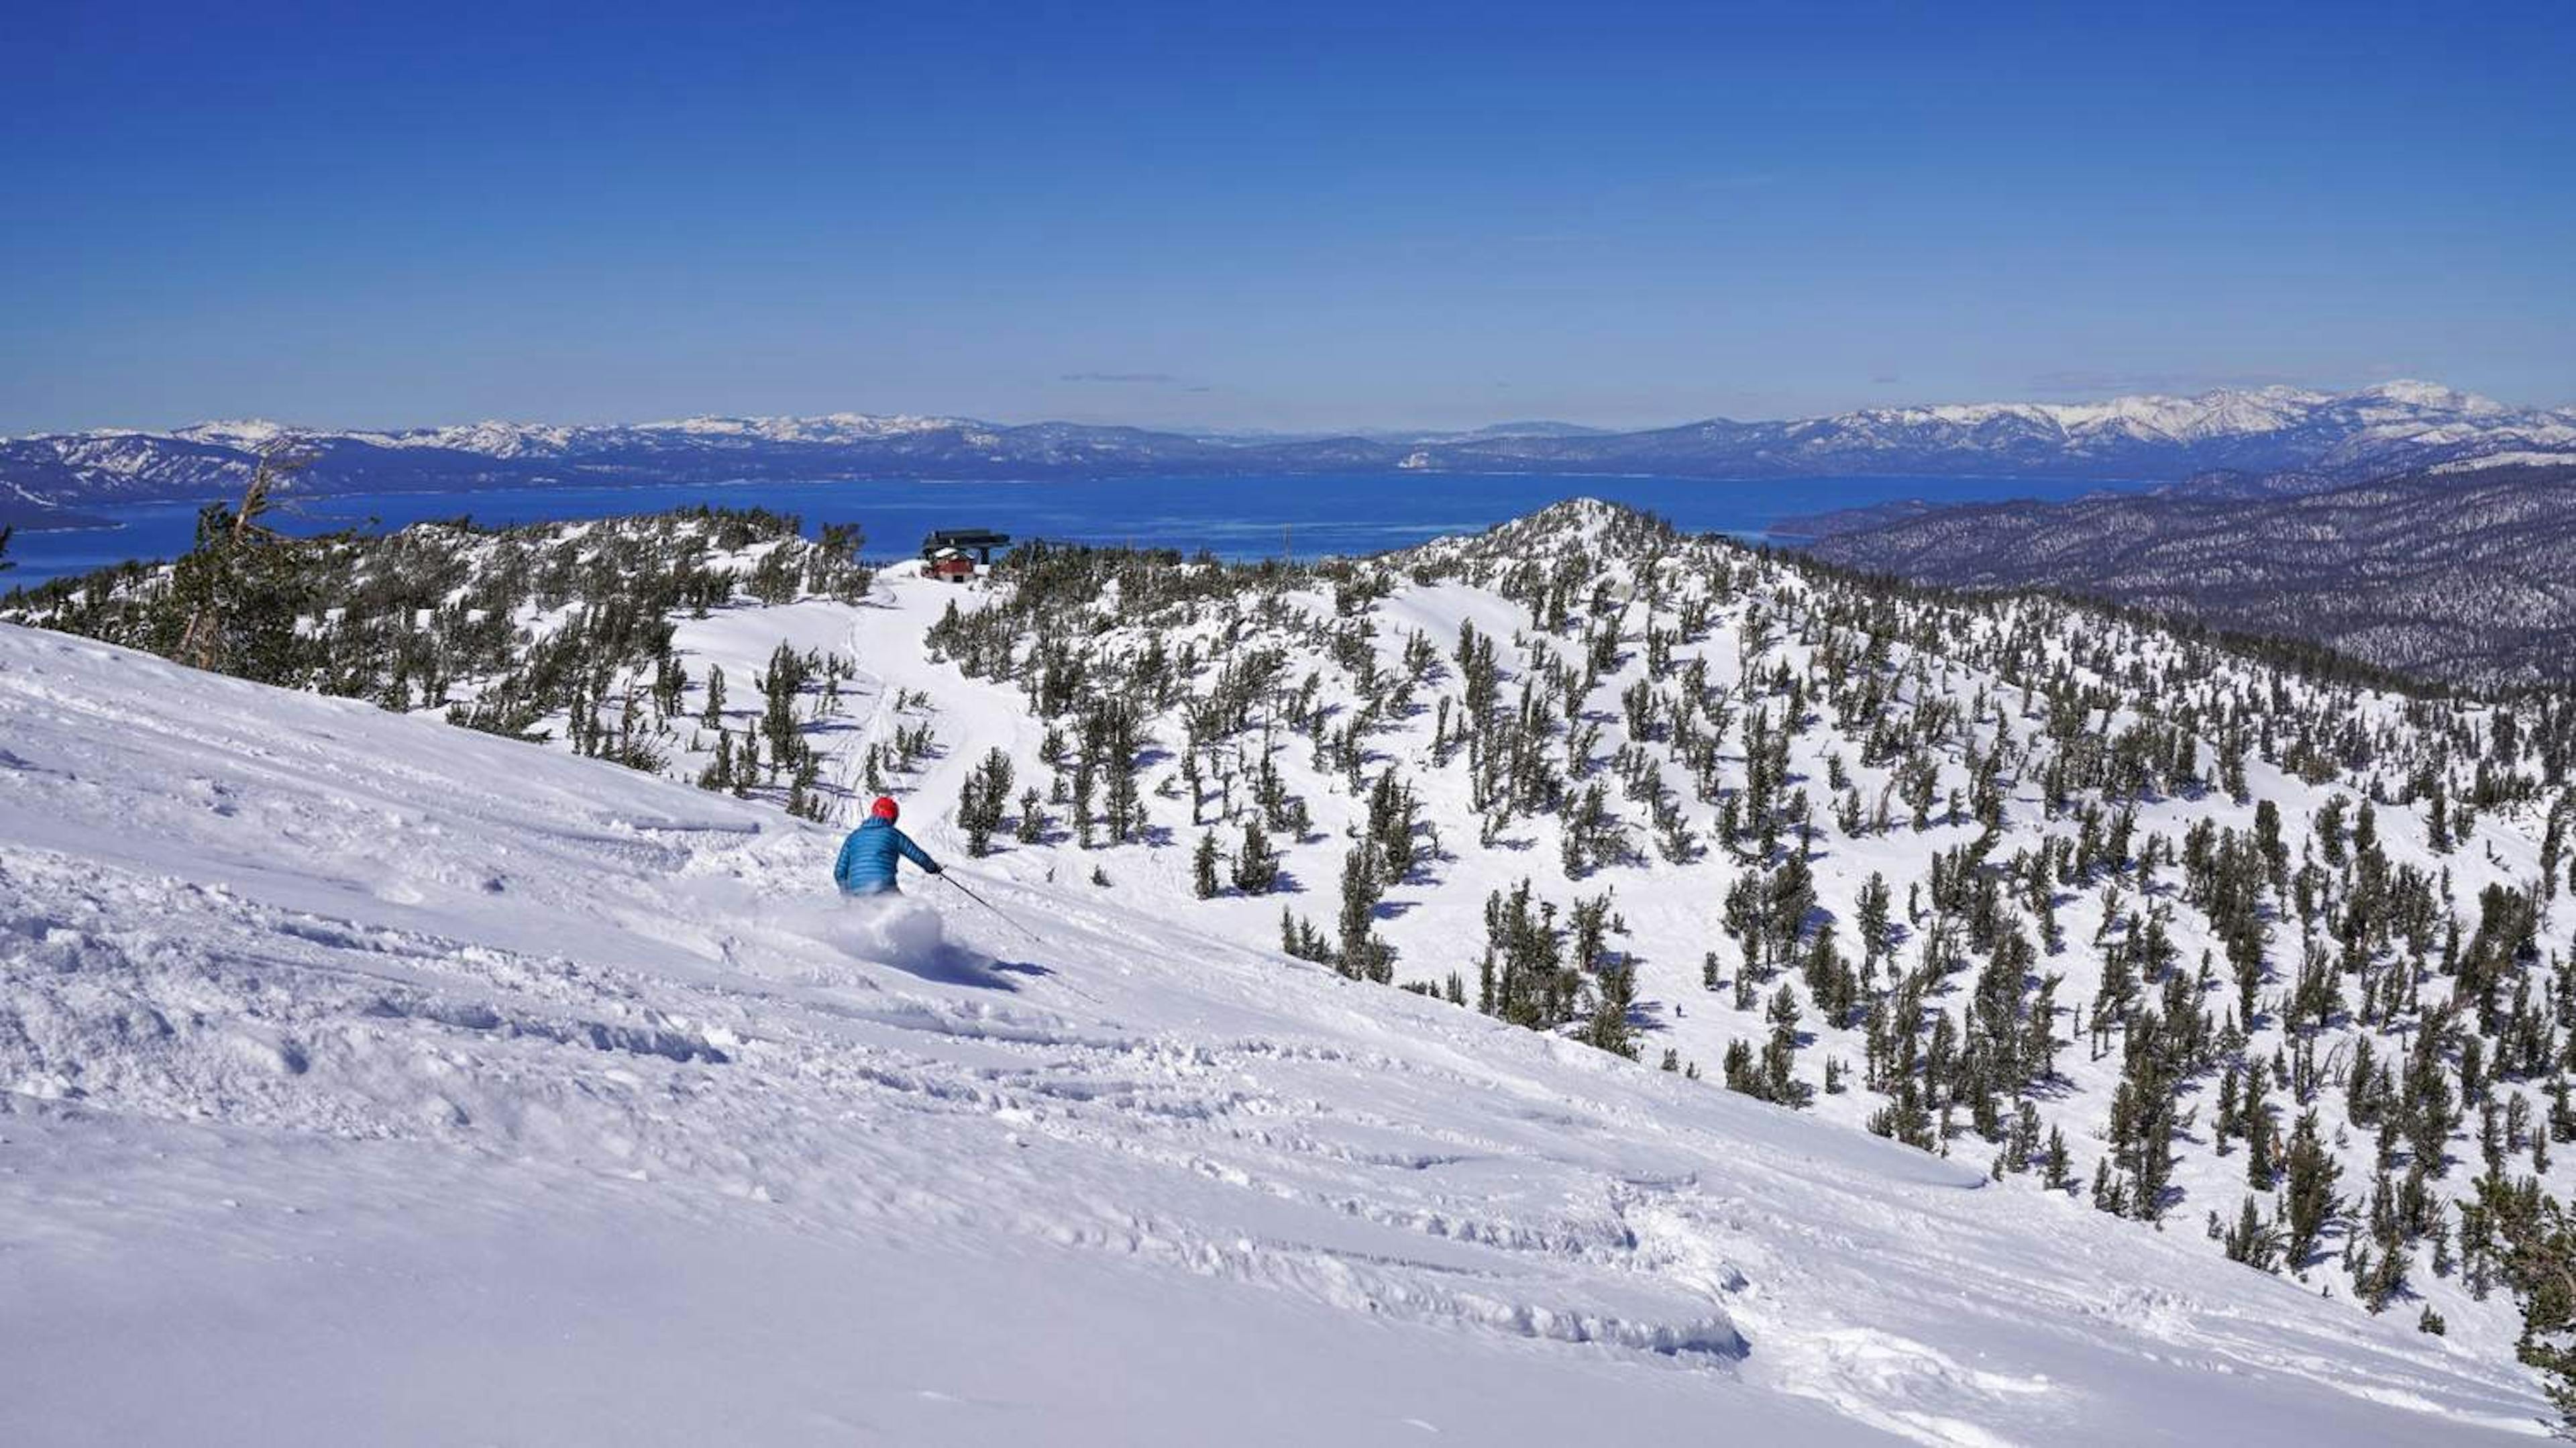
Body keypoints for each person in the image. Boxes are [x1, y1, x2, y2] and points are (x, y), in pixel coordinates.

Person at [835, 795, 943, 896]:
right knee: (910, 913)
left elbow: (839, 872)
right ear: (892, 817)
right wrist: (933, 868)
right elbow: (917, 855)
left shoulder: (853, 837)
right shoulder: (893, 835)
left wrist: (848, 895)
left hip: (857, 893)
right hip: (883, 890)